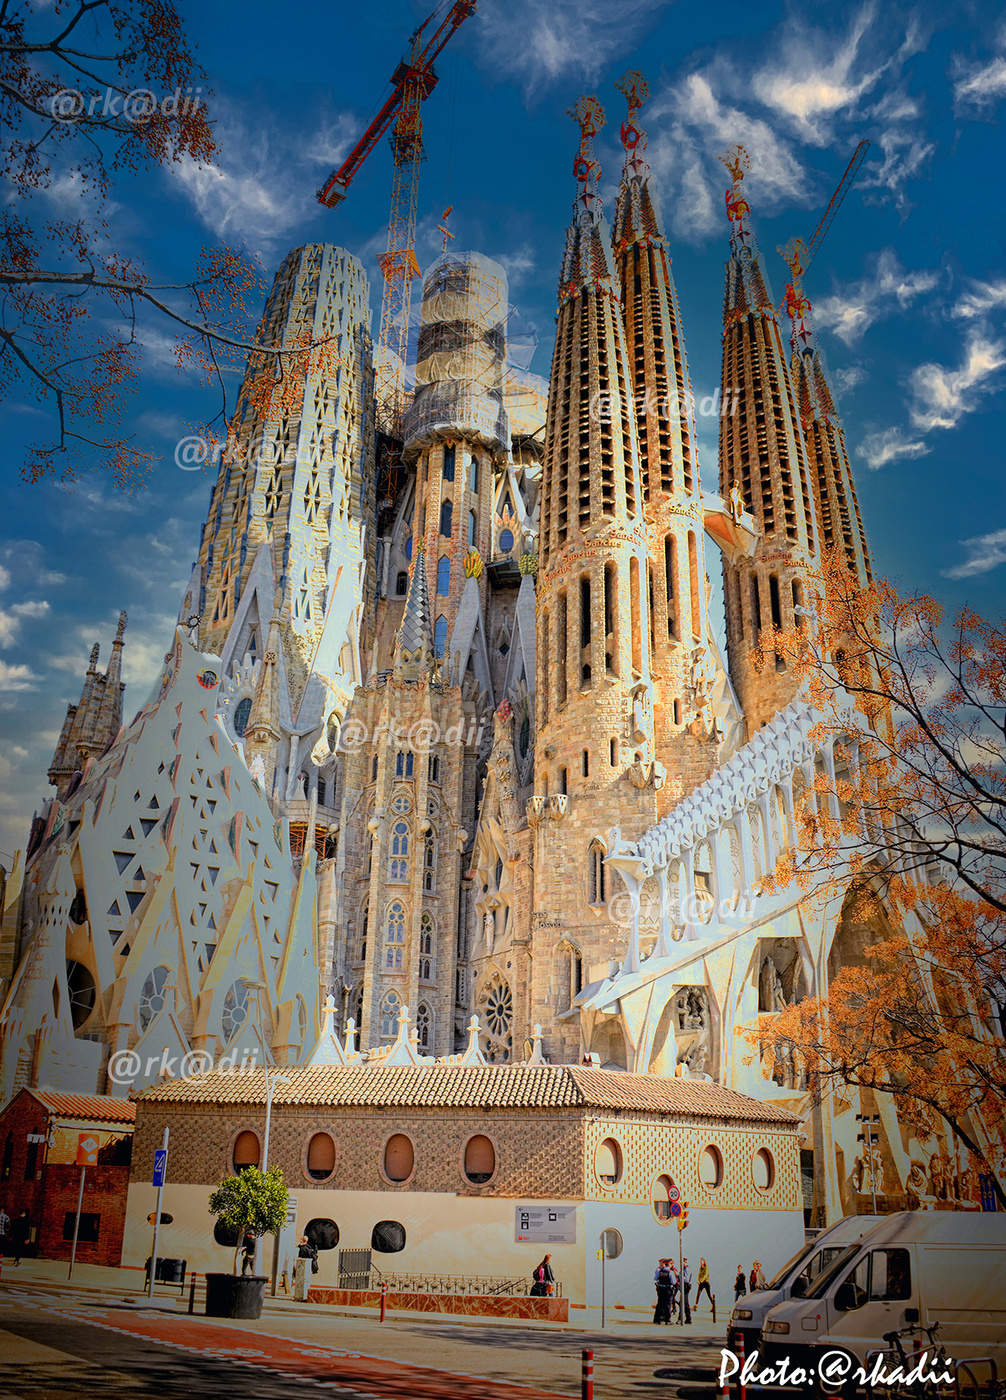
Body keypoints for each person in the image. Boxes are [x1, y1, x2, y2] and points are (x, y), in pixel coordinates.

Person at [653, 1259, 674, 1324]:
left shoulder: (659, 1271)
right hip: (667, 1289)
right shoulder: (670, 1272)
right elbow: (673, 1282)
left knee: (660, 1304)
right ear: (669, 1264)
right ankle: (667, 1320)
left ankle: (657, 1320)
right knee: (668, 1305)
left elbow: (655, 1279)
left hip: (660, 1289)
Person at [680, 1257, 692, 1323]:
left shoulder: (687, 1269)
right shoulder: (683, 1269)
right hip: (684, 1285)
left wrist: (679, 1276)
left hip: (686, 1285)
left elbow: (686, 1279)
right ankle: (687, 1318)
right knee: (683, 1301)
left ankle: (688, 1318)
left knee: (685, 1302)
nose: (683, 1263)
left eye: (684, 1262)